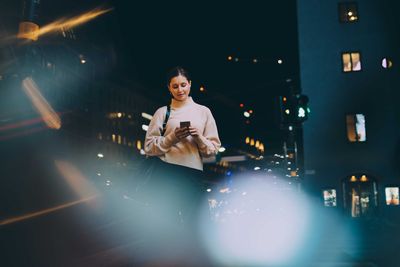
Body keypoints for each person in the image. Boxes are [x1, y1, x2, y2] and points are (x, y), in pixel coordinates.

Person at [142, 66, 221, 263]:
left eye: (183, 85)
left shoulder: (204, 112)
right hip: (166, 173)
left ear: (190, 84)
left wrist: (199, 137)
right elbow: (149, 147)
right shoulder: (162, 112)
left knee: (199, 225)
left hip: (193, 173)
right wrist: (171, 138)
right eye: (175, 86)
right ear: (169, 88)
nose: (180, 90)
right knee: (165, 227)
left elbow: (212, 150)